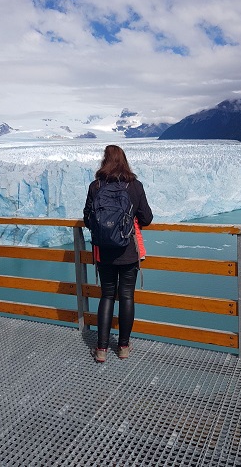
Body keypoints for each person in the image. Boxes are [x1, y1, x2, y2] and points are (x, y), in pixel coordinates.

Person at [83, 145, 153, 363]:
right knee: (126, 296)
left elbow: (87, 218)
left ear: (104, 160)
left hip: (104, 251)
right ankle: (123, 347)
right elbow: (147, 218)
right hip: (128, 251)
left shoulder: (96, 186)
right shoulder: (134, 185)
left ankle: (102, 349)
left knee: (106, 295)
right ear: (124, 160)